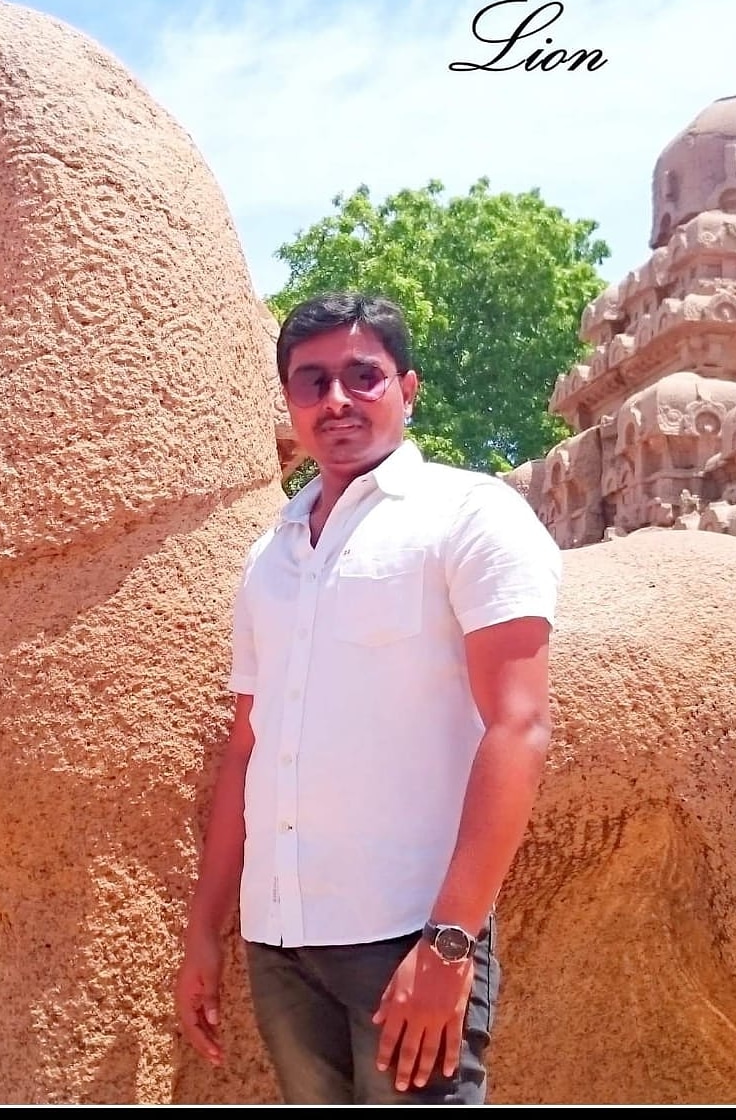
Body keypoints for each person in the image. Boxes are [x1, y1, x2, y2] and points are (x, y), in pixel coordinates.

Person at [175, 291, 561, 1105]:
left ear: (407, 388)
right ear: (289, 401)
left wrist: (450, 943)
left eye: (362, 375)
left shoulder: (469, 515)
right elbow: (248, 747)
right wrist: (205, 928)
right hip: (281, 940)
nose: (337, 400)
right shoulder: (271, 557)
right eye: (312, 381)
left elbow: (520, 725)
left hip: (409, 934)